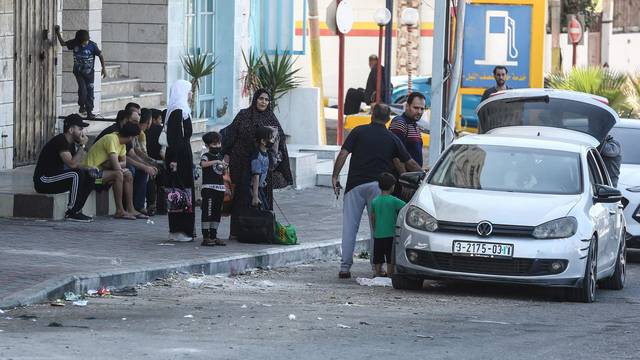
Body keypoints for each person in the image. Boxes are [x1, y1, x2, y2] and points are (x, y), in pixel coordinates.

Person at [332, 103, 422, 279]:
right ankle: (376, 267)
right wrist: (425, 175)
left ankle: (345, 268)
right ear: (388, 119)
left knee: (349, 228)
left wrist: (335, 176)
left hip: (354, 186)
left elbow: (343, 154)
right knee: (378, 229)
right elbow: (408, 162)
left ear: (372, 115)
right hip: (378, 187)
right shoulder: (391, 138)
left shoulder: (358, 131)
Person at [222, 89, 293, 240]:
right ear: (255, 99)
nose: (263, 102)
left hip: (262, 165)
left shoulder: (271, 118)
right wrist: (224, 154)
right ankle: (237, 232)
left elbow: (279, 138)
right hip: (240, 163)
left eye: (267, 100)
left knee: (261, 197)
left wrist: (275, 159)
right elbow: (230, 134)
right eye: (261, 98)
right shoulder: (243, 115)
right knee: (240, 198)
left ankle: (261, 231)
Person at [33, 114, 94, 222]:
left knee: (91, 176)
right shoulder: (60, 141)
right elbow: (71, 164)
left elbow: (76, 163)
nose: (82, 133)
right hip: (44, 180)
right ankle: (72, 212)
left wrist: (89, 168)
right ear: (71, 130)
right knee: (76, 174)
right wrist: (82, 146)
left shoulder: (70, 143)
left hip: (56, 178)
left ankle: (77, 210)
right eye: (80, 129)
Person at [84, 122, 142, 220]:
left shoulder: (122, 144)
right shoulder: (111, 139)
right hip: (92, 178)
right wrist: (115, 165)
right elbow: (117, 166)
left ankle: (130, 208)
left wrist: (111, 164)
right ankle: (120, 211)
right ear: (131, 137)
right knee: (118, 174)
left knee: (128, 174)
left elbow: (123, 162)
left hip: (103, 177)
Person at [165, 80, 196, 242]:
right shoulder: (177, 111)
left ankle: (185, 229)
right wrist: (175, 160)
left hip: (184, 155)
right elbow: (175, 138)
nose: (191, 94)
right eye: (189, 91)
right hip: (179, 158)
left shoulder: (182, 110)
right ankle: (179, 229)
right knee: (179, 192)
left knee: (185, 191)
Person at [54, 26, 106, 119]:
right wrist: (57, 32)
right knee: (83, 90)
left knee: (90, 92)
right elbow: (62, 43)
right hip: (79, 72)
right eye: (83, 42)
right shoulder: (74, 43)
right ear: (79, 41)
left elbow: (100, 55)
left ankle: (89, 111)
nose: (85, 43)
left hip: (90, 74)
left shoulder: (92, 45)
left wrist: (104, 68)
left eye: (86, 41)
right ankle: (82, 106)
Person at [370, 173, 406, 277]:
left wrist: (374, 229)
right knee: (390, 256)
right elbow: (406, 206)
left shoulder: (375, 201)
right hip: (391, 234)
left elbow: (373, 217)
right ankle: (390, 272)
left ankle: (377, 272)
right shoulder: (393, 200)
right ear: (392, 187)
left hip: (378, 234)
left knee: (378, 255)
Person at [200, 132, 227, 246]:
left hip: (220, 188)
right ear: (208, 145)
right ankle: (206, 237)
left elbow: (223, 173)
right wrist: (216, 162)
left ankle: (213, 235)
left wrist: (224, 167)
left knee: (217, 213)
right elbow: (203, 164)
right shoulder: (206, 156)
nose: (217, 146)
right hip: (209, 188)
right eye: (214, 144)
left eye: (219, 143)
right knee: (208, 212)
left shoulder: (220, 157)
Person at [389, 92, 427, 167]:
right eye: (415, 108)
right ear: (407, 106)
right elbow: (395, 155)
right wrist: (404, 175)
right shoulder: (400, 123)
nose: (419, 112)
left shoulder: (415, 125)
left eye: (422, 109)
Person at [145, 108, 166, 216]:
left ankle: (151, 205)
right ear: (153, 119)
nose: (160, 122)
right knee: (161, 184)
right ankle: (162, 206)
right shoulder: (162, 130)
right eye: (159, 119)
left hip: (147, 161)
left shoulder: (144, 130)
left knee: (151, 182)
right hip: (159, 162)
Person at [250, 127, 273, 210]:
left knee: (266, 209)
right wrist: (255, 197)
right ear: (263, 141)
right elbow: (256, 177)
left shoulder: (266, 153)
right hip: (253, 190)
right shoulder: (257, 157)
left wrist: (263, 181)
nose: (272, 141)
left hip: (260, 187)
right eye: (270, 138)